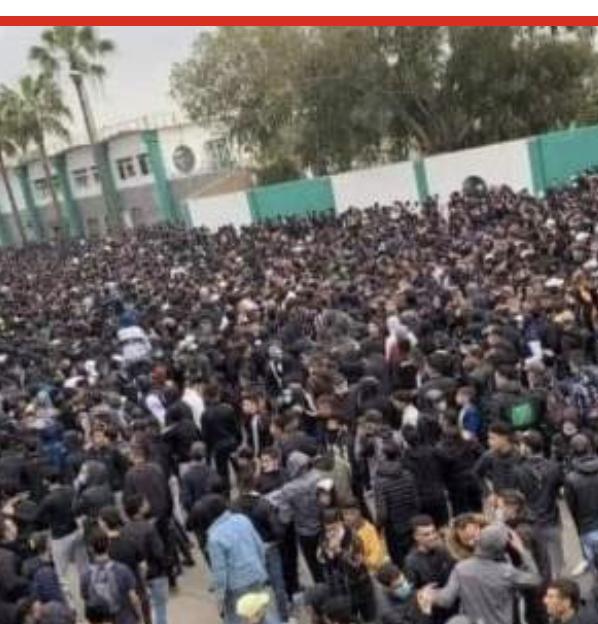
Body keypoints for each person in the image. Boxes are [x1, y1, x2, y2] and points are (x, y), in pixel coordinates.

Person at [423, 523, 542, 624]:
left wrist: (430, 594)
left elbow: (445, 600)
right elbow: (535, 579)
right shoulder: (507, 572)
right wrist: (522, 550)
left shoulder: (461, 568)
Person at [194, 494, 280, 624]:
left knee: (239, 619)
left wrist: (220, 599)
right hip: (257, 575)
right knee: (263, 613)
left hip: (237, 587)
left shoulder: (214, 537)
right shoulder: (242, 519)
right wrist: (261, 569)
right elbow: (259, 546)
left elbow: (220, 573)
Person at [519, 429, 565, 579]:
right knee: (556, 563)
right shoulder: (554, 467)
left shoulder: (519, 470)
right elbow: (561, 491)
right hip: (552, 519)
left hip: (531, 522)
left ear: (527, 447)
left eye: (522, 444)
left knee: (539, 563)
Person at [80, 530, 143, 624]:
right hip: (125, 619)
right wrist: (140, 617)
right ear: (109, 544)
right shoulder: (122, 569)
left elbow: (85, 597)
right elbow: (134, 599)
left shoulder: (86, 574)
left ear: (91, 548)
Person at [374, 441, 420, 567]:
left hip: (394, 529)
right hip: (410, 522)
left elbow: (382, 513)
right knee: (414, 557)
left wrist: (378, 528)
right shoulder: (408, 474)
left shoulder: (379, 481)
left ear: (384, 456)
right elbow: (416, 501)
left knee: (400, 562)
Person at [403, 516, 455, 624]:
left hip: (453, 607)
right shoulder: (411, 562)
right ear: (416, 537)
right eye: (426, 534)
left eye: (433, 532)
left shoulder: (444, 551)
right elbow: (409, 594)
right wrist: (421, 592)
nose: (432, 537)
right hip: (433, 616)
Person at [564, 434, 598, 572]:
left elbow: (572, 507)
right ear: (590, 448)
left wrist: (579, 526)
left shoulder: (571, 478)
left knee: (594, 564)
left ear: (572, 451)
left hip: (587, 527)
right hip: (588, 525)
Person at [341, 499, 386, 573]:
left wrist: (364, 561)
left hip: (369, 571)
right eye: (345, 514)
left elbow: (376, 557)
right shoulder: (343, 529)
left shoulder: (369, 530)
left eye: (352, 513)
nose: (348, 518)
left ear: (359, 512)